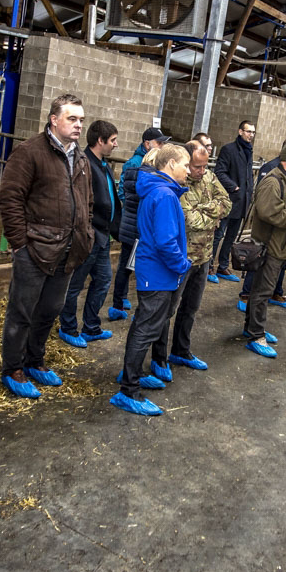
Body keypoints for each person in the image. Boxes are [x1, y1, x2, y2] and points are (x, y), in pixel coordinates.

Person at [0, 94, 93, 398]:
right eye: (72, 119)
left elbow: (86, 200)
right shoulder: (29, 152)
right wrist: (20, 244)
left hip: (68, 249)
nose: (79, 125)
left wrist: (85, 230)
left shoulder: (79, 156)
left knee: (50, 309)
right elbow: (9, 199)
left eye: (81, 119)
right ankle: (13, 368)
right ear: (54, 120)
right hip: (35, 248)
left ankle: (35, 360)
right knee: (22, 311)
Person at [112, 145, 192, 416]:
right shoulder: (165, 195)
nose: (188, 171)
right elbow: (166, 241)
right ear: (170, 165)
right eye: (185, 165)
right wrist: (182, 266)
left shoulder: (157, 191)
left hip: (153, 271)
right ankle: (129, 389)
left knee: (144, 325)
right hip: (160, 273)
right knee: (146, 327)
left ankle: (131, 373)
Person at [167, 140, 231, 371]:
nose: (201, 171)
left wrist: (203, 210)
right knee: (168, 310)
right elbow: (188, 220)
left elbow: (227, 204)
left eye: (205, 166)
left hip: (204, 256)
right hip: (182, 259)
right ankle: (157, 358)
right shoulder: (177, 183)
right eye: (196, 166)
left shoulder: (209, 178)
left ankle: (180, 351)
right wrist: (212, 216)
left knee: (191, 308)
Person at [242, 139, 286, 358]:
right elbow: (268, 212)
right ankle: (255, 335)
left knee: (262, 289)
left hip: (279, 245)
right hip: (270, 246)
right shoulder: (273, 181)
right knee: (262, 291)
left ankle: (251, 327)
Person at [58, 119, 120, 346]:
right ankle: (68, 327)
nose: (116, 145)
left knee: (103, 280)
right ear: (100, 141)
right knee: (74, 284)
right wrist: (87, 233)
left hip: (102, 236)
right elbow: (82, 203)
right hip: (89, 236)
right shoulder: (84, 165)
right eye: (112, 140)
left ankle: (91, 327)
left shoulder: (101, 164)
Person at [110, 127, 169, 318]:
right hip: (134, 225)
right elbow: (124, 193)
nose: (163, 146)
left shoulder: (145, 167)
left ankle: (122, 298)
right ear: (148, 144)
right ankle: (119, 300)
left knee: (130, 265)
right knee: (127, 266)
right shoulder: (134, 165)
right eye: (159, 143)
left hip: (134, 224)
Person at [211, 120, 256, 281]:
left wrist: (250, 191)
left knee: (231, 236)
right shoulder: (229, 150)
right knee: (218, 234)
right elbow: (220, 172)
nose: (251, 135)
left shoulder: (248, 151)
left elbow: (248, 174)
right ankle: (210, 266)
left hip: (242, 201)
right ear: (240, 132)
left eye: (252, 132)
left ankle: (223, 266)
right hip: (229, 200)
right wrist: (234, 187)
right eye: (248, 131)